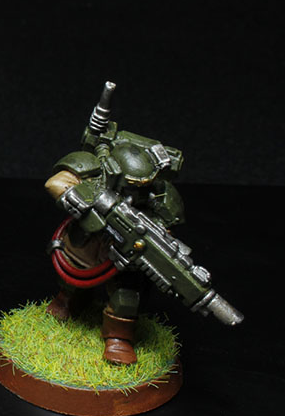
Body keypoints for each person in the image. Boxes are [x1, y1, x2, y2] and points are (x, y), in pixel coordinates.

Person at [44, 132, 185, 365]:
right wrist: (87, 204)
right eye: (130, 185)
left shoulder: (160, 193)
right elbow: (57, 183)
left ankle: (118, 339)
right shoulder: (98, 173)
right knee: (72, 274)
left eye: (141, 186)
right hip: (89, 240)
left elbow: (167, 227)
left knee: (126, 295)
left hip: (127, 253)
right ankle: (66, 301)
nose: (135, 193)